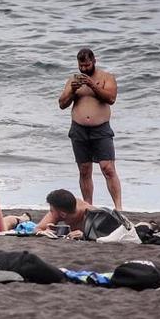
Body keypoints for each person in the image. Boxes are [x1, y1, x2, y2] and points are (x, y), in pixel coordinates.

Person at [58, 48, 121, 210]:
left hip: (101, 129)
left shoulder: (106, 77)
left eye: (87, 65)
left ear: (94, 61)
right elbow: (62, 104)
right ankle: (88, 206)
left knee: (108, 168)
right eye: (81, 66)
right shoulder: (73, 80)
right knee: (84, 170)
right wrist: (72, 90)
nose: (84, 69)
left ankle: (119, 207)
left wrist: (93, 86)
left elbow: (111, 98)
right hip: (79, 129)